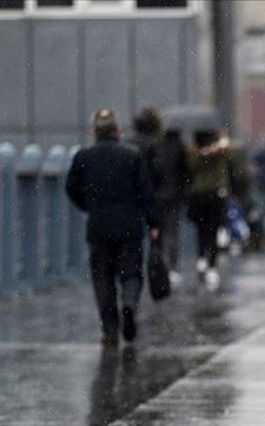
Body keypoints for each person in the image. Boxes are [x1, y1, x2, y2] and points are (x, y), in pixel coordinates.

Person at [66, 109, 159, 346]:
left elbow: (71, 189)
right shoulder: (132, 156)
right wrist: (153, 223)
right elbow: (146, 193)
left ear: (95, 132)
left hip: (98, 227)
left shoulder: (83, 157)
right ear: (118, 131)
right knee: (131, 273)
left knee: (103, 278)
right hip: (129, 226)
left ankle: (110, 329)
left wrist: (89, 206)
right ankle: (129, 303)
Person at [186, 129, 230, 289]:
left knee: (202, 230)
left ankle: (202, 259)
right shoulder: (218, 151)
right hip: (215, 194)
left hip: (199, 194)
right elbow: (226, 150)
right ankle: (211, 265)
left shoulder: (194, 153)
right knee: (213, 230)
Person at [151, 129, 190, 281]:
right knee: (173, 231)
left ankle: (159, 263)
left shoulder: (158, 147)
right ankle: (173, 265)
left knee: (159, 231)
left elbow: (155, 171)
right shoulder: (180, 148)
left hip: (160, 195)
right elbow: (185, 172)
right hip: (174, 195)